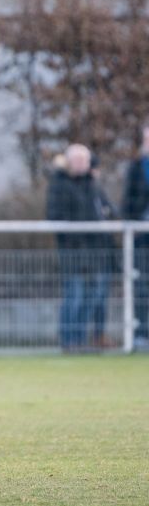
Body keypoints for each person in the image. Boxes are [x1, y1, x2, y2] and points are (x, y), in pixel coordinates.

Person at [47, 144, 116, 352]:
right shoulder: (59, 183)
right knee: (74, 296)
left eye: (84, 161)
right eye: (77, 160)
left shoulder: (92, 184)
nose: (81, 165)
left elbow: (107, 210)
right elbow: (55, 216)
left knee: (91, 297)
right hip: (73, 251)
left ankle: (80, 340)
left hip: (95, 251)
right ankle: (68, 341)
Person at [122, 122, 149, 352]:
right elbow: (127, 201)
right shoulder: (136, 167)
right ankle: (141, 334)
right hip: (141, 238)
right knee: (141, 287)